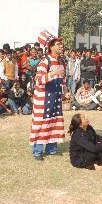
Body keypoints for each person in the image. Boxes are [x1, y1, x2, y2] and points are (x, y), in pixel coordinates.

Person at [29, 30, 65, 161]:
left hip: (56, 96)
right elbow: (38, 79)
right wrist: (52, 74)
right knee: (41, 123)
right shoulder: (44, 61)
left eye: (61, 44)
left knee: (54, 121)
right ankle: (37, 151)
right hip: (44, 98)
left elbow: (62, 78)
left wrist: (64, 89)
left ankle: (52, 148)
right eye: (58, 44)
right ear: (50, 47)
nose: (61, 46)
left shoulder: (61, 61)